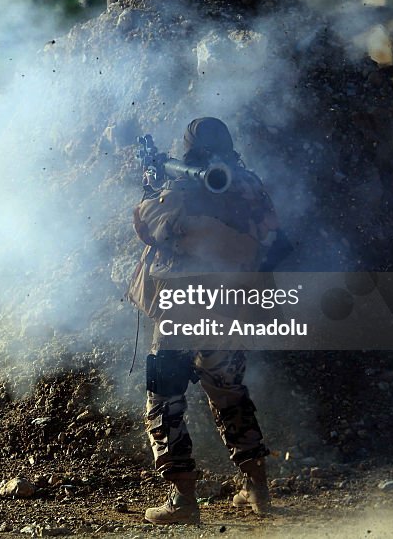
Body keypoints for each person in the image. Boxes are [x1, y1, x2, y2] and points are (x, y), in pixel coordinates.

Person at [128, 117, 289, 525]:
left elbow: (148, 226)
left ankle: (183, 499)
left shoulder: (179, 189)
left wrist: (151, 187)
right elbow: (272, 235)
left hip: (183, 306)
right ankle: (257, 488)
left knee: (164, 401)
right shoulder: (249, 184)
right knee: (228, 391)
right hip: (229, 303)